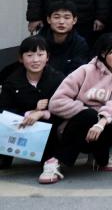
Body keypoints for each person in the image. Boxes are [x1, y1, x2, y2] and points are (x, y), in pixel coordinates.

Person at [41, 35, 112, 184]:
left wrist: (101, 122)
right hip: (72, 126)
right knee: (89, 115)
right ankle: (54, 161)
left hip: (101, 126)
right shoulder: (85, 70)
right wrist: (85, 111)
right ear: (103, 53)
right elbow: (57, 101)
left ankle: (100, 158)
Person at [0, 36, 64, 169]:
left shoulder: (57, 79)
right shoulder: (12, 81)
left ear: (47, 57)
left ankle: (51, 157)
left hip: (49, 128)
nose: (35, 60)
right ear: (21, 58)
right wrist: (30, 112)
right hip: (18, 126)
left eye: (40, 55)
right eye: (29, 55)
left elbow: (64, 107)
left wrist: (42, 113)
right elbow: (5, 110)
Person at [38, 1, 91, 76]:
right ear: (49, 19)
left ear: (74, 20)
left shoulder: (80, 44)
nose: (61, 22)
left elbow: (78, 72)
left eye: (67, 18)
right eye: (56, 17)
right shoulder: (37, 41)